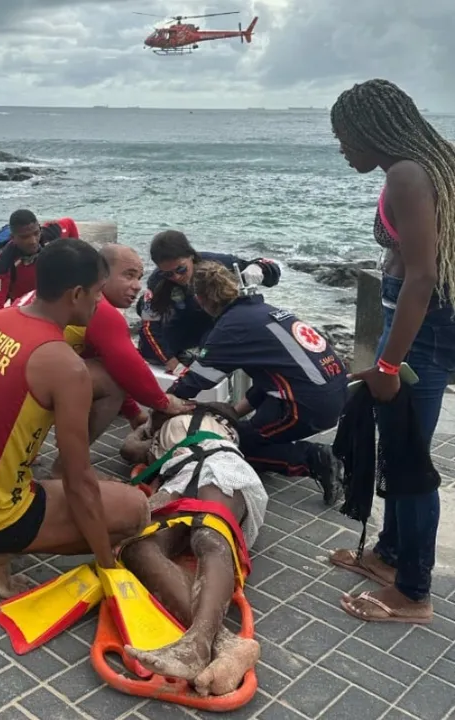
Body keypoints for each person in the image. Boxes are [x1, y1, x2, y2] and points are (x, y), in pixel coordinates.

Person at [0, 237, 149, 598]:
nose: (100, 301)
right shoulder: (64, 365)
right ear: (76, 294)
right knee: (134, 512)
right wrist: (108, 566)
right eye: (97, 292)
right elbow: (80, 483)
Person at [327, 78, 455, 624]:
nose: (342, 148)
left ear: (369, 130)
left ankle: (414, 591)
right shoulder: (427, 165)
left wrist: (385, 363)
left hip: (419, 330)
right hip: (425, 323)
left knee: (407, 460)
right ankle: (389, 554)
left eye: (344, 136)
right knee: (401, 447)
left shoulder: (406, 173)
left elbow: (422, 276)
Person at [167, 262, 347, 506]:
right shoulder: (262, 311)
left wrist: (163, 405)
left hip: (307, 404)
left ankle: (312, 459)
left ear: (200, 300)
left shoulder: (231, 327)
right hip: (332, 389)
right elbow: (270, 376)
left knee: (236, 446)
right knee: (256, 426)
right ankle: (281, 445)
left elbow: (194, 382)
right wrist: (237, 412)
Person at [116, 405, 265, 696]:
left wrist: (171, 408)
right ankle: (223, 643)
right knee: (136, 548)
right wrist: (148, 422)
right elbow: (128, 449)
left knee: (209, 537)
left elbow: (221, 414)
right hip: (178, 478)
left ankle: (198, 644)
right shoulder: (157, 435)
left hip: (221, 467)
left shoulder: (213, 421)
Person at [15, 244, 194, 440]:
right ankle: (69, 467)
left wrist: (134, 414)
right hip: (24, 397)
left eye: (139, 278)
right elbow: (127, 368)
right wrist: (164, 403)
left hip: (10, 383)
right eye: (129, 275)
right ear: (102, 275)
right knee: (110, 380)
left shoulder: (53, 295)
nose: (137, 286)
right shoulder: (101, 310)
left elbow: (112, 361)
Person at [137, 230, 281, 373]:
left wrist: (260, 268)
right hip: (178, 332)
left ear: (191, 256)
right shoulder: (157, 281)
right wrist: (172, 363)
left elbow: (268, 268)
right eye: (168, 274)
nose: (176, 277)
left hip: (214, 329)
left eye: (181, 269)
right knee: (149, 348)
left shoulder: (217, 264)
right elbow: (149, 327)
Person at [0, 209, 78, 315]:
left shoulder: (51, 233)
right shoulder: (4, 262)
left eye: (36, 233)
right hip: (24, 311)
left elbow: (69, 223)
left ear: (39, 228)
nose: (33, 241)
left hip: (52, 301)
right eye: (24, 237)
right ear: (13, 238)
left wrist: (74, 260)